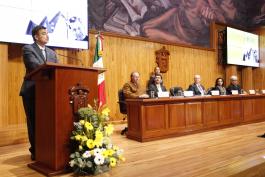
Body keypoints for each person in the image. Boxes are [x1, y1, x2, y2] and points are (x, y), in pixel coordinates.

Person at [19, 25, 58, 160]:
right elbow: (33, 66)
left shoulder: (52, 53)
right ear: (36, 37)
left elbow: (57, 71)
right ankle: (35, 151)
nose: (47, 36)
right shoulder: (28, 49)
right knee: (34, 123)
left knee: (47, 123)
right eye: (43, 33)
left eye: (47, 33)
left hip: (48, 93)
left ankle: (47, 150)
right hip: (32, 92)